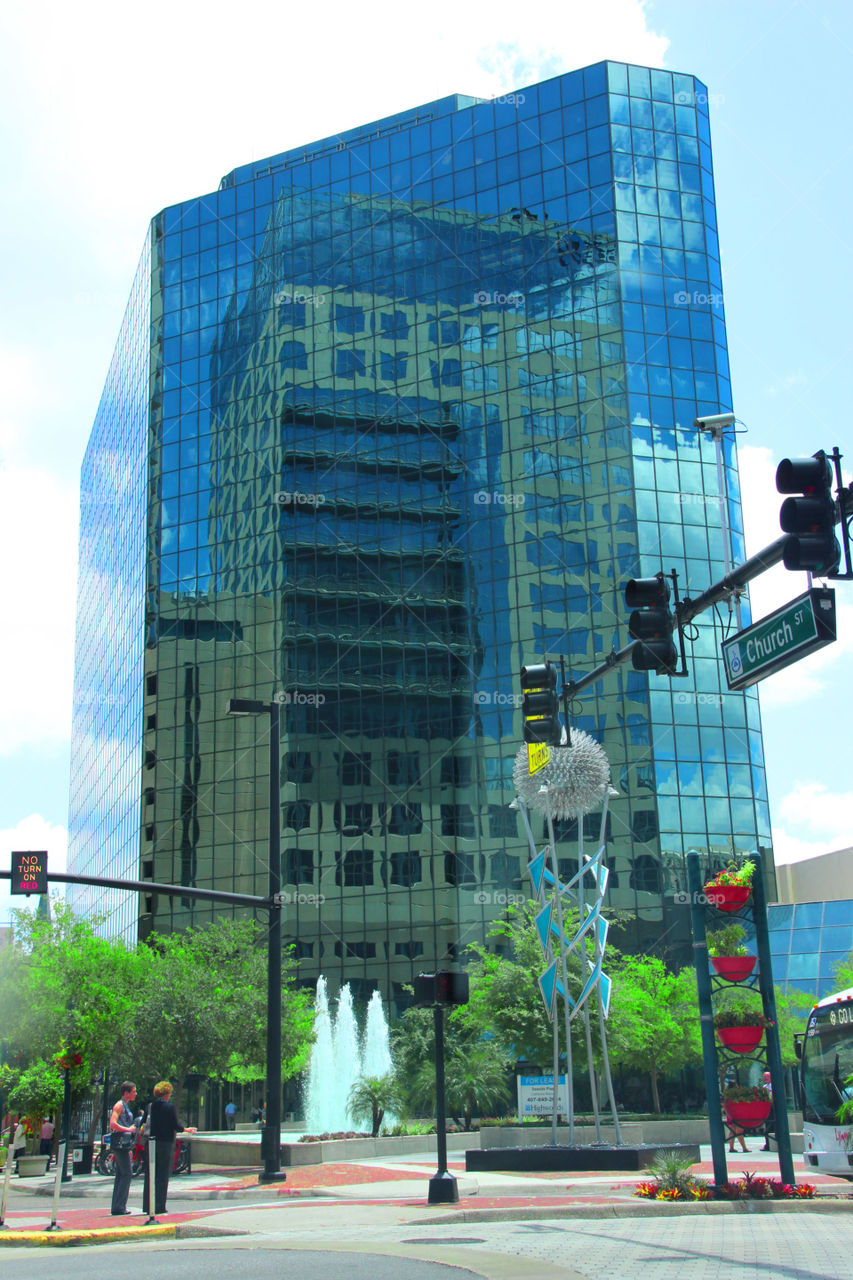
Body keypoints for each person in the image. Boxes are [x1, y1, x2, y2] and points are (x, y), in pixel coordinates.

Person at [142, 1080, 197, 1217]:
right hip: (165, 1143)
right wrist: (186, 1129)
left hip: (151, 1143)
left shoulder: (151, 1106)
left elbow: (143, 1123)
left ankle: (148, 1205)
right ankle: (159, 1206)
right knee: (162, 1175)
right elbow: (175, 1125)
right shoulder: (169, 1107)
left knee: (150, 1174)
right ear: (166, 1094)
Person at [109, 1081, 138, 1215]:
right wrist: (128, 1129)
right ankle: (119, 1206)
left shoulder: (125, 1106)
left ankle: (118, 1206)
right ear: (126, 1093)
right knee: (126, 1173)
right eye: (133, 1091)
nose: (135, 1094)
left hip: (124, 1144)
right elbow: (112, 1124)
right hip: (120, 1143)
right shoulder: (119, 1105)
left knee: (121, 1174)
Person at [761, 1070, 775, 1151]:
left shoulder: (774, 1086)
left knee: (772, 1126)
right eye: (764, 1077)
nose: (765, 1078)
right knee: (767, 1127)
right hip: (767, 1109)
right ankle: (768, 1145)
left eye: (767, 1076)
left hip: (773, 1108)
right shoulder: (764, 1087)